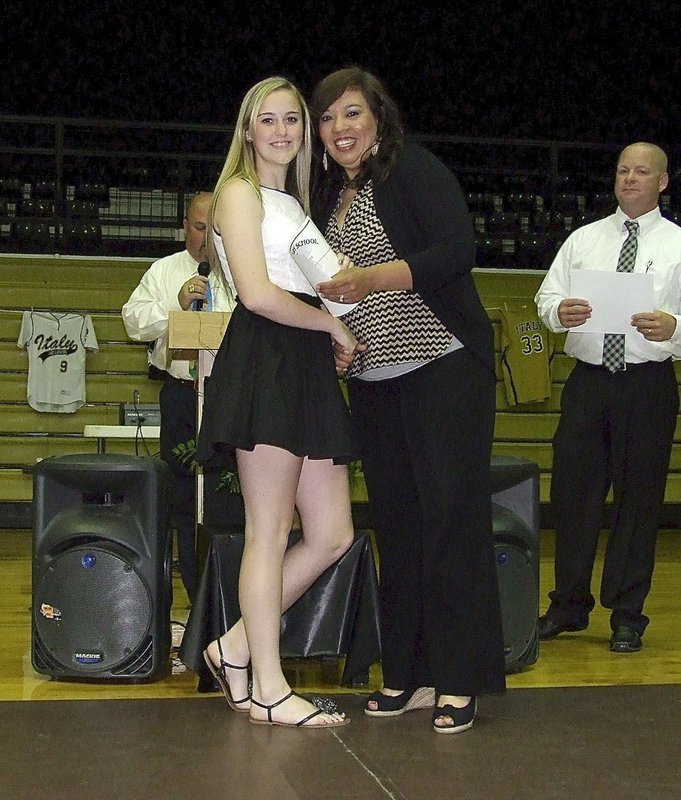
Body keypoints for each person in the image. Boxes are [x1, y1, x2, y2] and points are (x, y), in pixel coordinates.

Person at [310, 66, 506, 734]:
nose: (340, 128)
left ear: (378, 118)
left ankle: (459, 678)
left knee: (450, 522)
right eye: (329, 117)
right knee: (397, 527)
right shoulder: (327, 197)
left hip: (443, 368)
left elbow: (458, 250)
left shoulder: (412, 170)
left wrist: (369, 279)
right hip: (373, 380)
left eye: (352, 113)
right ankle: (408, 672)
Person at [195, 76, 362, 728]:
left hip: (301, 357)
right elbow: (260, 296)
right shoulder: (237, 192)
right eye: (268, 120)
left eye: (292, 120)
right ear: (247, 130)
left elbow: (327, 286)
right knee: (271, 530)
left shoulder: (291, 204)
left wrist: (337, 309)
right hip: (266, 352)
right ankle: (267, 685)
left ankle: (234, 647)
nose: (282, 131)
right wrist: (330, 326)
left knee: (332, 534)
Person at [534, 142, 681, 653]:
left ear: (663, 181)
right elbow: (545, 299)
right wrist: (560, 314)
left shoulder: (679, 245)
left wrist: (674, 326)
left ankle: (627, 614)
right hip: (588, 381)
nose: (630, 179)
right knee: (573, 494)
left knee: (639, 501)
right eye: (623, 170)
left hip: (648, 384)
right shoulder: (584, 240)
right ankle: (568, 605)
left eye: (642, 172)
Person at [122, 192, 234, 603]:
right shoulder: (164, 270)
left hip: (229, 398)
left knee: (230, 494)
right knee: (183, 499)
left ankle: (227, 598)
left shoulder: (242, 268)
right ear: (184, 227)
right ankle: (189, 595)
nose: (206, 238)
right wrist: (176, 305)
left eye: (214, 229)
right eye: (199, 227)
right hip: (182, 398)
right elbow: (133, 322)